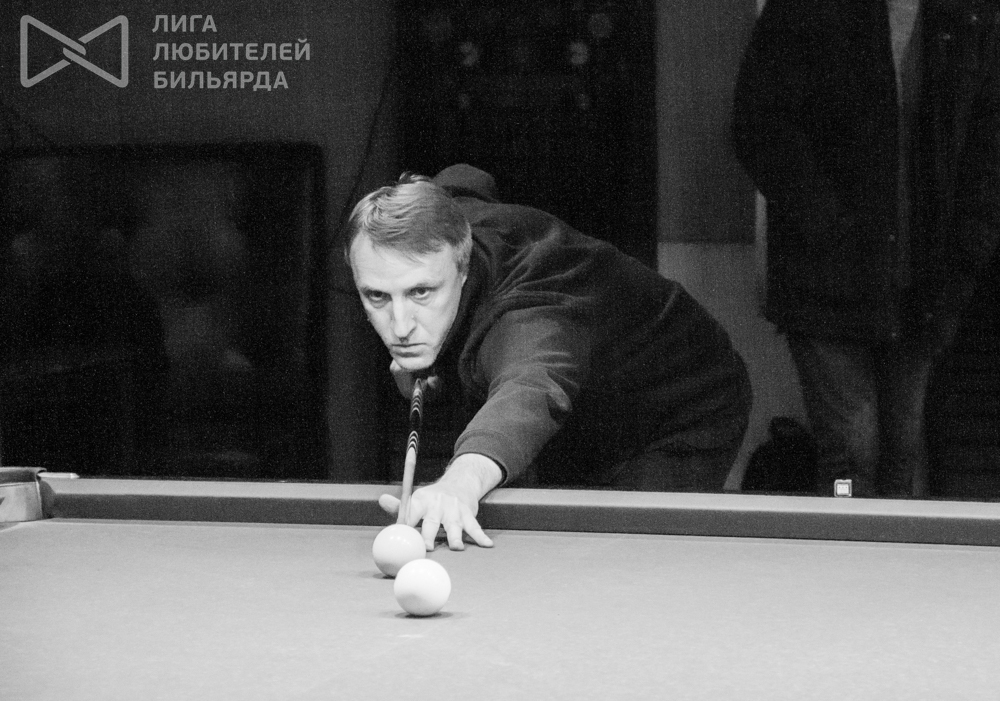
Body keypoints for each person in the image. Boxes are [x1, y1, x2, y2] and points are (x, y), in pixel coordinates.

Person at [345, 164, 752, 550]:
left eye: (420, 292)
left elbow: (531, 389)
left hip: (680, 407)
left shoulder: (531, 320)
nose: (400, 326)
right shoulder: (444, 213)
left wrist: (460, 483)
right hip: (586, 408)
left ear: (462, 265)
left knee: (621, 561)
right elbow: (467, 178)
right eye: (377, 296)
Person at [731, 0, 1000, 497]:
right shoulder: (807, 11)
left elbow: (986, 153)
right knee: (851, 457)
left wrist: (964, 256)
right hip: (828, 277)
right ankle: (846, 535)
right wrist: (828, 227)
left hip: (922, 282)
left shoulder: (970, 17)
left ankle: (878, 545)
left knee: (899, 450)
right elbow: (759, 125)